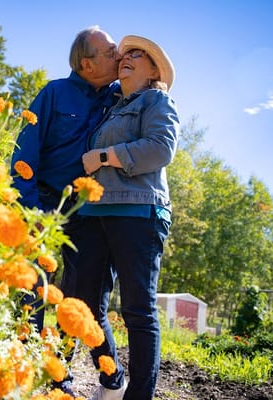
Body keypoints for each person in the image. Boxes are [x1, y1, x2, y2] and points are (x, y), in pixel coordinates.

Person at [9, 26, 120, 395]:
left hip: (87, 212)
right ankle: (25, 371)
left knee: (77, 297)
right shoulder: (53, 94)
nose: (118, 54)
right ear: (87, 64)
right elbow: (24, 154)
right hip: (41, 202)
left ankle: (60, 376)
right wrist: (33, 208)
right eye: (110, 51)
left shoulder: (118, 97)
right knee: (33, 289)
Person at [79, 35, 179, 400]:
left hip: (138, 212)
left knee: (137, 309)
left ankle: (139, 396)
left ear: (154, 71)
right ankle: (113, 379)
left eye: (138, 54)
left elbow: (160, 148)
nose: (126, 57)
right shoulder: (112, 108)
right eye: (125, 54)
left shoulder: (157, 100)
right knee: (86, 302)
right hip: (96, 212)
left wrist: (104, 156)